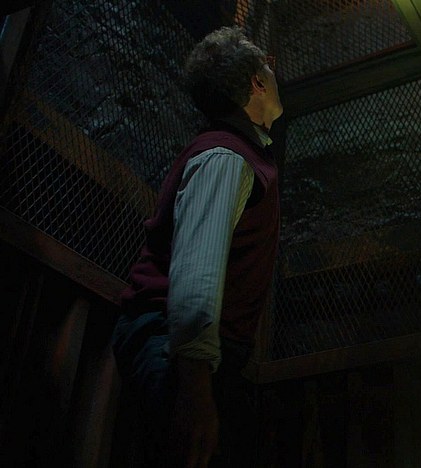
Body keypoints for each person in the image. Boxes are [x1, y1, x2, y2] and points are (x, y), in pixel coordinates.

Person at [112, 26, 286, 467]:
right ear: (257, 82)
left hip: (194, 357)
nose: (274, 73)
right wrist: (194, 389)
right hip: (178, 355)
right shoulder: (226, 157)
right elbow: (196, 278)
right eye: (269, 67)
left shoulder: (236, 154)